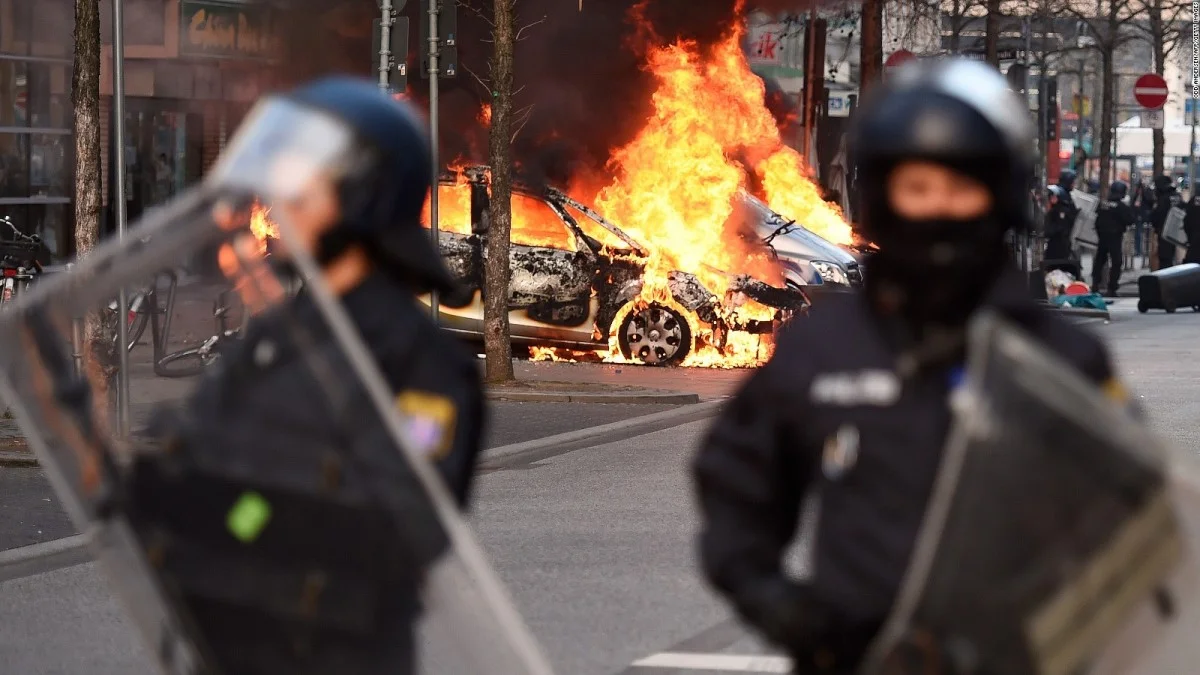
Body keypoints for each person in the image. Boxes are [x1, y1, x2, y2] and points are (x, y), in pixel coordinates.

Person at [693, 59, 1127, 675]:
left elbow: (1125, 516)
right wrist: (775, 599)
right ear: (887, 198)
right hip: (860, 657)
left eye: (961, 187)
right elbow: (736, 483)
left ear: (999, 196)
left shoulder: (1060, 355)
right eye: (918, 188)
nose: (939, 208)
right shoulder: (825, 348)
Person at [135, 77, 485, 674]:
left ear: (364, 195)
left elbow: (396, 528)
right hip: (231, 647)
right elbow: (207, 468)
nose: (281, 201)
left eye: (302, 183)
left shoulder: (422, 365)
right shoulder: (279, 338)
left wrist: (248, 511)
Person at [1091, 180, 1134, 296]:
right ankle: (1112, 287)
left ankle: (1095, 284)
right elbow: (1130, 220)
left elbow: (1096, 219)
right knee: (1116, 261)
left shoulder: (1103, 204)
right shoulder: (1121, 207)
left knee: (1100, 260)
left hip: (1102, 236)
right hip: (1115, 237)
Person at [1150, 174, 1181, 270]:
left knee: (1165, 261)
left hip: (1165, 233)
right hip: (1178, 232)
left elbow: (1156, 216)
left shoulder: (1164, 199)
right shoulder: (1177, 196)